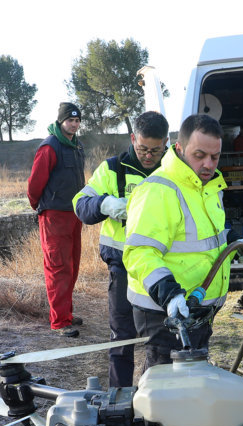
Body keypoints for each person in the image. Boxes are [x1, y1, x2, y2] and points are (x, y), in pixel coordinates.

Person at [121, 113, 243, 371]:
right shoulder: (159, 190)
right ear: (180, 148)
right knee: (165, 387)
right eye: (199, 155)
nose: (208, 164)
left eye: (215, 157)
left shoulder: (207, 186)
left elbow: (206, 237)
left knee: (189, 384)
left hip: (197, 309)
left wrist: (236, 242)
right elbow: (140, 252)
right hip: (165, 312)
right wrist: (169, 294)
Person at [72, 110, 169, 386]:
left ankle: (157, 394)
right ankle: (120, 397)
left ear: (166, 143)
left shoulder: (173, 171)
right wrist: (104, 204)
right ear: (132, 138)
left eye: (155, 150)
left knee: (161, 338)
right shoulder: (112, 169)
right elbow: (81, 204)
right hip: (123, 267)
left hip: (162, 267)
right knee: (123, 335)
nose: (149, 156)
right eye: (142, 149)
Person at [27, 102, 86, 337]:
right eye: (70, 120)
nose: (74, 124)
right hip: (53, 216)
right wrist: (39, 207)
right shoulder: (49, 146)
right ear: (61, 121)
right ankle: (59, 321)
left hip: (74, 214)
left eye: (77, 120)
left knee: (71, 265)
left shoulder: (76, 145)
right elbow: (35, 183)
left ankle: (67, 314)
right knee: (58, 267)